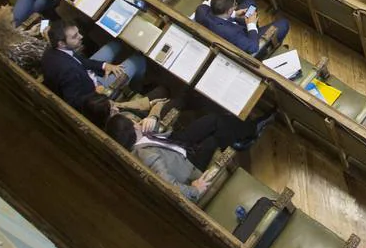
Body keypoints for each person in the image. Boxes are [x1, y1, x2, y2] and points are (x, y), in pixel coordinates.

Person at [105, 109, 273, 201]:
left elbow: (159, 137)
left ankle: (242, 135)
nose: (136, 121)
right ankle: (250, 130)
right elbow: (168, 185)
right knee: (214, 139)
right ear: (133, 128)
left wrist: (153, 119)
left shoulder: (139, 135)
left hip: (176, 144)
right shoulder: (146, 156)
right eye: (133, 121)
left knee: (213, 119)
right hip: (187, 166)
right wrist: (194, 190)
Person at [41, 20, 147, 109]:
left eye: (78, 32)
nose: (81, 36)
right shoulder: (69, 72)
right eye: (75, 36)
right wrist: (95, 94)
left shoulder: (53, 49)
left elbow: (81, 61)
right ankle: (136, 89)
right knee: (138, 60)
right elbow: (72, 102)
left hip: (85, 74)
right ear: (62, 43)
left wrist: (105, 65)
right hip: (94, 90)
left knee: (116, 44)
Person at [194, 0, 289, 58]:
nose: (236, 6)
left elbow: (208, 7)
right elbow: (253, 48)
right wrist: (251, 25)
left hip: (227, 25)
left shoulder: (201, 10)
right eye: (235, 5)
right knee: (284, 23)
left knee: (250, 3)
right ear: (229, 10)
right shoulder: (233, 34)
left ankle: (255, 26)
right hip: (246, 38)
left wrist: (234, 14)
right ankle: (270, 42)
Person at [0, 7, 48, 73]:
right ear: (6, 28)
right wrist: (47, 38)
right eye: (12, 21)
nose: (15, 22)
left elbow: (15, 34)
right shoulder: (22, 49)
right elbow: (48, 55)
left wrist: (30, 32)